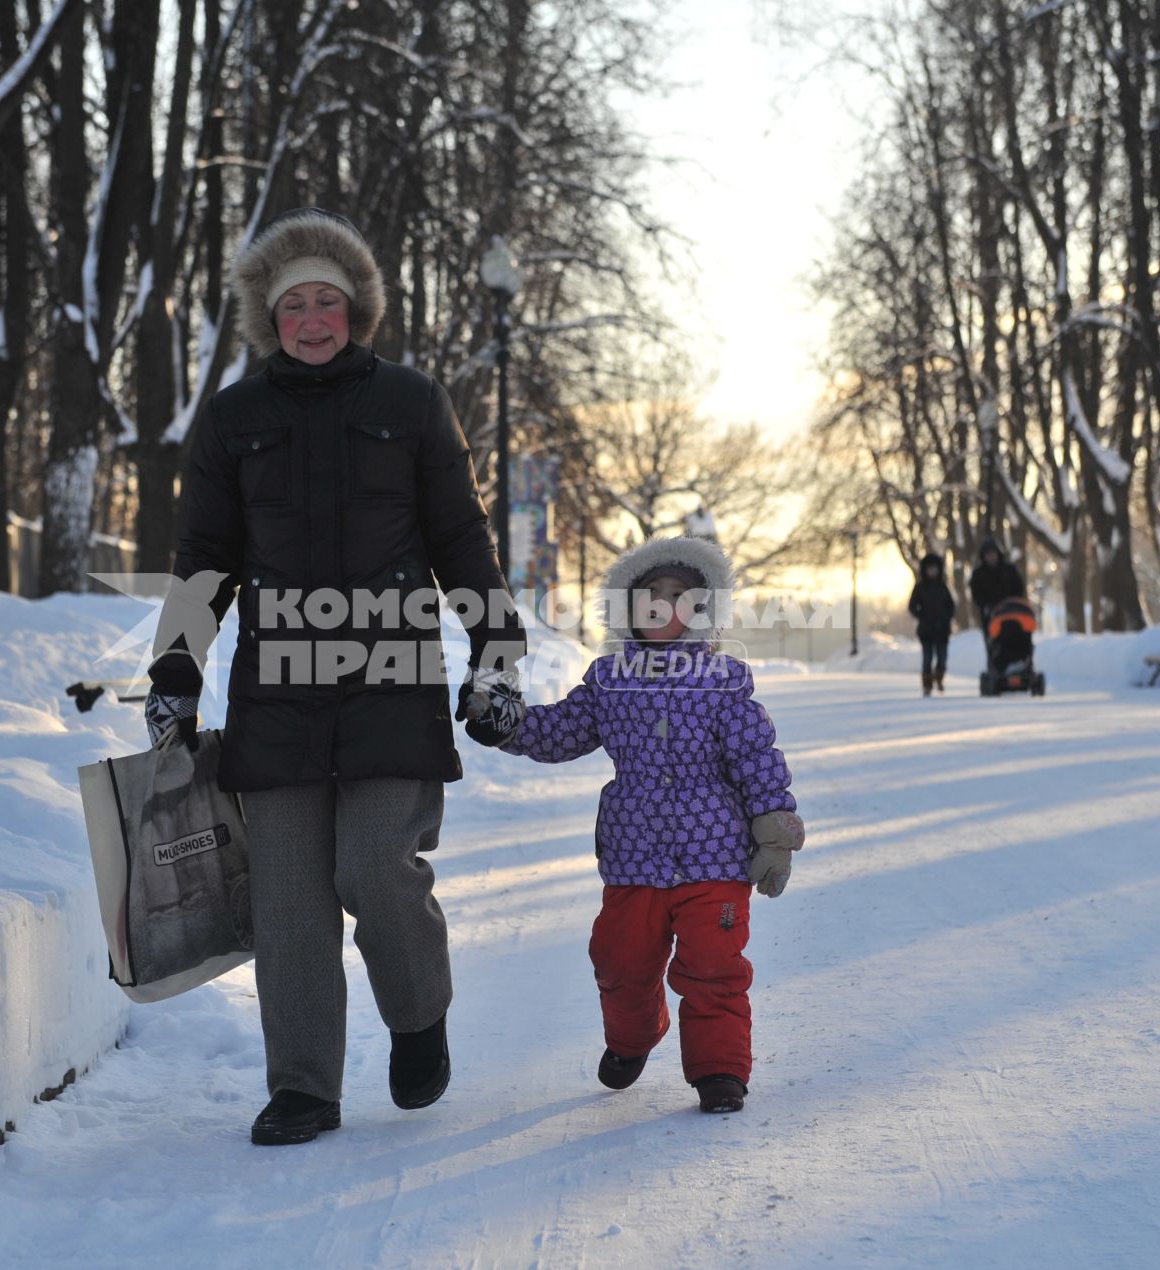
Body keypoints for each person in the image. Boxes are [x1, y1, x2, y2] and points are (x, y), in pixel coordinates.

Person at [143, 209, 526, 1146]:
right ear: (268, 320)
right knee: (286, 897)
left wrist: (498, 653)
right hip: (277, 684)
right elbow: (205, 559)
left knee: (374, 867)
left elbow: (458, 537)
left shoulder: (411, 402)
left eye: (328, 302)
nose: (312, 320)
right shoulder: (235, 420)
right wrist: (176, 671)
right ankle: (304, 1086)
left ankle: (417, 1013)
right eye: (293, 305)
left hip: (392, 673)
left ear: (357, 310)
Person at [459, 536, 800, 1115]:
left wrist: (773, 832)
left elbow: (756, 757)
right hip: (634, 856)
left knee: (713, 966)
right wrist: (506, 720)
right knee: (619, 960)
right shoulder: (609, 681)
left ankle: (719, 1070)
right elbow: (562, 731)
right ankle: (633, 1038)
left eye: (680, 596)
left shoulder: (723, 682)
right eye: (651, 596)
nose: (664, 606)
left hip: (715, 858)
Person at [907, 552, 956, 696]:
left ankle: (939, 678)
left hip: (942, 629)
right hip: (926, 630)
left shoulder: (943, 587)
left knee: (942, 657)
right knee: (927, 657)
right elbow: (912, 606)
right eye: (930, 568)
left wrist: (947, 617)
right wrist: (921, 616)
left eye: (935, 568)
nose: (932, 571)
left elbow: (951, 605)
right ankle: (927, 684)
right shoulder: (920, 587)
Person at [969, 535, 1025, 618]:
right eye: (987, 554)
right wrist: (987, 606)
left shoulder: (1009, 570)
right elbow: (977, 595)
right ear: (983, 556)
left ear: (998, 553)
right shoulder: (978, 574)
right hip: (990, 615)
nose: (991, 556)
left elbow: (1019, 588)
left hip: (1012, 612)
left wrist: (1012, 604)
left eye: (993, 553)